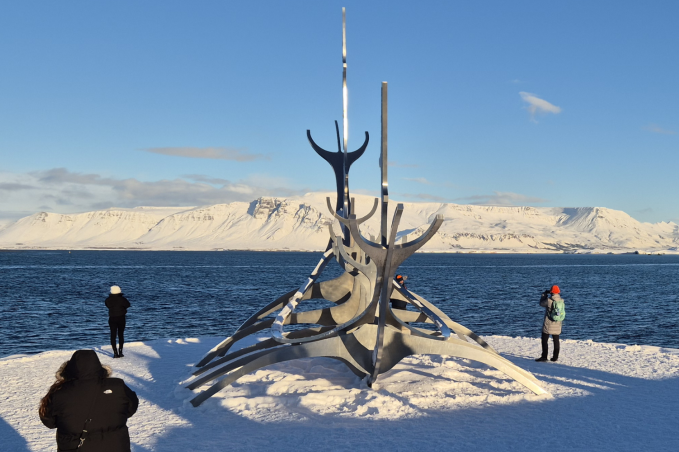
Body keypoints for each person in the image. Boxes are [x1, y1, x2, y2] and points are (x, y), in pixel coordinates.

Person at [39, 349, 139, 452]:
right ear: (99, 367)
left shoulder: (58, 393)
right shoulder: (118, 386)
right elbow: (132, 407)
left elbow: (48, 421)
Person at [536, 285, 564, 362]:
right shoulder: (561, 301)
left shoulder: (549, 300)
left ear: (551, 292)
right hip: (558, 323)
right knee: (556, 340)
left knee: (545, 339)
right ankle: (555, 357)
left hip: (548, 323)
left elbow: (541, 303)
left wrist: (544, 295)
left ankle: (544, 356)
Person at [105, 285, 130, 358]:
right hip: (121, 318)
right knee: (120, 334)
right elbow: (128, 305)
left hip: (112, 318)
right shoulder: (122, 299)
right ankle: (120, 351)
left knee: (113, 335)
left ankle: (115, 352)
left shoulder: (108, 299)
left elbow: (107, 305)